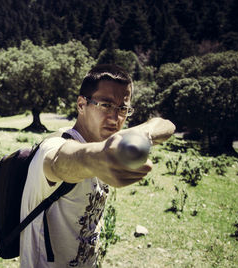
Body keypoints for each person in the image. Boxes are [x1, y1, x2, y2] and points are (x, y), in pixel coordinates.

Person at [19, 64, 175, 267]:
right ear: (81, 105)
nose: (115, 117)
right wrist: (96, 158)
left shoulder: (108, 142)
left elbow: (166, 125)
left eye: (123, 108)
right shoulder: (54, 145)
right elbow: (60, 161)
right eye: (106, 105)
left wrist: (142, 135)